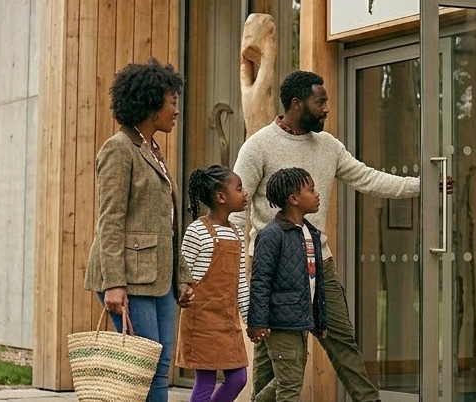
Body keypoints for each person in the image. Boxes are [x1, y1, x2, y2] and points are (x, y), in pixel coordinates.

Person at [231, 70, 453, 401]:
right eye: (320, 101)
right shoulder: (258, 147)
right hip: (273, 266)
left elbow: (368, 178)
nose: (326, 108)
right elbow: (237, 212)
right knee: (271, 354)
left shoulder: (328, 146)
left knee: (342, 339)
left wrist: (421, 186)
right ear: (296, 103)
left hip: (320, 262)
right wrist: (237, 277)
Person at [82, 58, 195, 402]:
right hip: (127, 278)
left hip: (159, 278)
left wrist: (183, 276)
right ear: (150, 103)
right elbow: (110, 219)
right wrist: (114, 282)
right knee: (143, 370)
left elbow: (167, 223)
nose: (177, 110)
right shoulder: (118, 149)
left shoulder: (152, 149)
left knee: (159, 366)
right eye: (172, 102)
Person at [247, 167, 328, 402]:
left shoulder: (310, 233)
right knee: (290, 387)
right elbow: (260, 281)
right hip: (280, 323)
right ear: (293, 199)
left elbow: (315, 283)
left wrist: (319, 319)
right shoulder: (272, 235)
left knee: (285, 379)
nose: (317, 194)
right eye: (310, 190)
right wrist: (257, 322)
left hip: (298, 321)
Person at [176, 165, 250, 402]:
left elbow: (240, 283)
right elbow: (182, 272)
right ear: (221, 197)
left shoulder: (238, 233)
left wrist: (251, 319)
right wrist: (182, 292)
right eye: (239, 189)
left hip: (228, 321)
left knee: (238, 378)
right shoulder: (197, 231)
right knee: (205, 381)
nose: (245, 193)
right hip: (202, 320)